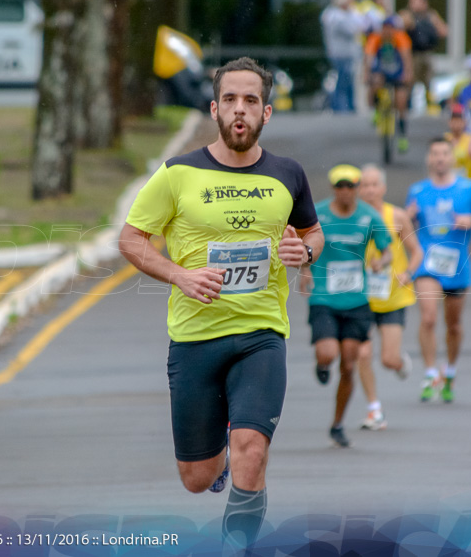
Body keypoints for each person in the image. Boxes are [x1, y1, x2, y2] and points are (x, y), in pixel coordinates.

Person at [118, 57, 324, 553]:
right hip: (194, 340)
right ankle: (218, 464)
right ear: (213, 108)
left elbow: (313, 233)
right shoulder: (178, 174)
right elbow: (131, 239)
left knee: (252, 447)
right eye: (230, 99)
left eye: (250, 101)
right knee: (196, 476)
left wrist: (305, 251)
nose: (239, 110)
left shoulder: (287, 174)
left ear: (266, 113)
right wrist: (179, 275)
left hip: (261, 337)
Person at [300, 164, 391, 448]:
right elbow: (304, 243)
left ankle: (337, 423)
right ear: (333, 189)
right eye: (340, 186)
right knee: (328, 353)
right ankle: (322, 363)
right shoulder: (320, 214)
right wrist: (304, 268)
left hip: (356, 299)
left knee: (349, 364)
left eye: (351, 186)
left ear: (357, 188)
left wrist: (381, 261)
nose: (346, 192)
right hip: (325, 297)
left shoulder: (368, 216)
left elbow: (386, 248)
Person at [406, 138, 471, 404]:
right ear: (429, 159)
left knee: (453, 325)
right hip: (427, 263)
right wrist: (406, 218)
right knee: (429, 318)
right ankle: (431, 373)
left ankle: (451, 370)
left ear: (453, 158)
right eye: (435, 154)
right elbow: (406, 227)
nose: (440, 158)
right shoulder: (418, 190)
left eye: (445, 153)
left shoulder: (469, 189)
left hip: (457, 264)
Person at [355, 164, 423, 431]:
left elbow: (417, 252)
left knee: (388, 359)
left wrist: (407, 273)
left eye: (374, 185)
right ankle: (374, 410)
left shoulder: (396, 216)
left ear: (383, 188)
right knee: (362, 353)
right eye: (365, 185)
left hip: (392, 297)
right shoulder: (352, 218)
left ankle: (400, 362)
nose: (369, 190)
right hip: (361, 298)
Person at [365, 15, 414, 153]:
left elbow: (406, 58)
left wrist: (408, 73)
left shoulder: (401, 38)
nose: (387, 32)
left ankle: (402, 136)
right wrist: (366, 74)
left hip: (397, 74)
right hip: (382, 73)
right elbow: (368, 59)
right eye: (385, 28)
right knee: (374, 82)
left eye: (390, 28)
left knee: (401, 102)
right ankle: (375, 110)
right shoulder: (375, 38)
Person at [400, 0, 448, 113]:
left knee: (429, 82)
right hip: (413, 54)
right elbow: (400, 27)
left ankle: (430, 107)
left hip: (427, 53)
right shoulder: (407, 15)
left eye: (415, 1)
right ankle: (407, 108)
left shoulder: (431, 15)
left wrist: (433, 25)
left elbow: (444, 31)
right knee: (410, 82)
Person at [321, 0, 364, 113]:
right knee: (343, 82)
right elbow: (353, 29)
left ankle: (348, 107)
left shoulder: (335, 14)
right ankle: (341, 108)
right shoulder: (336, 16)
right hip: (341, 54)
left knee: (347, 81)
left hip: (344, 54)